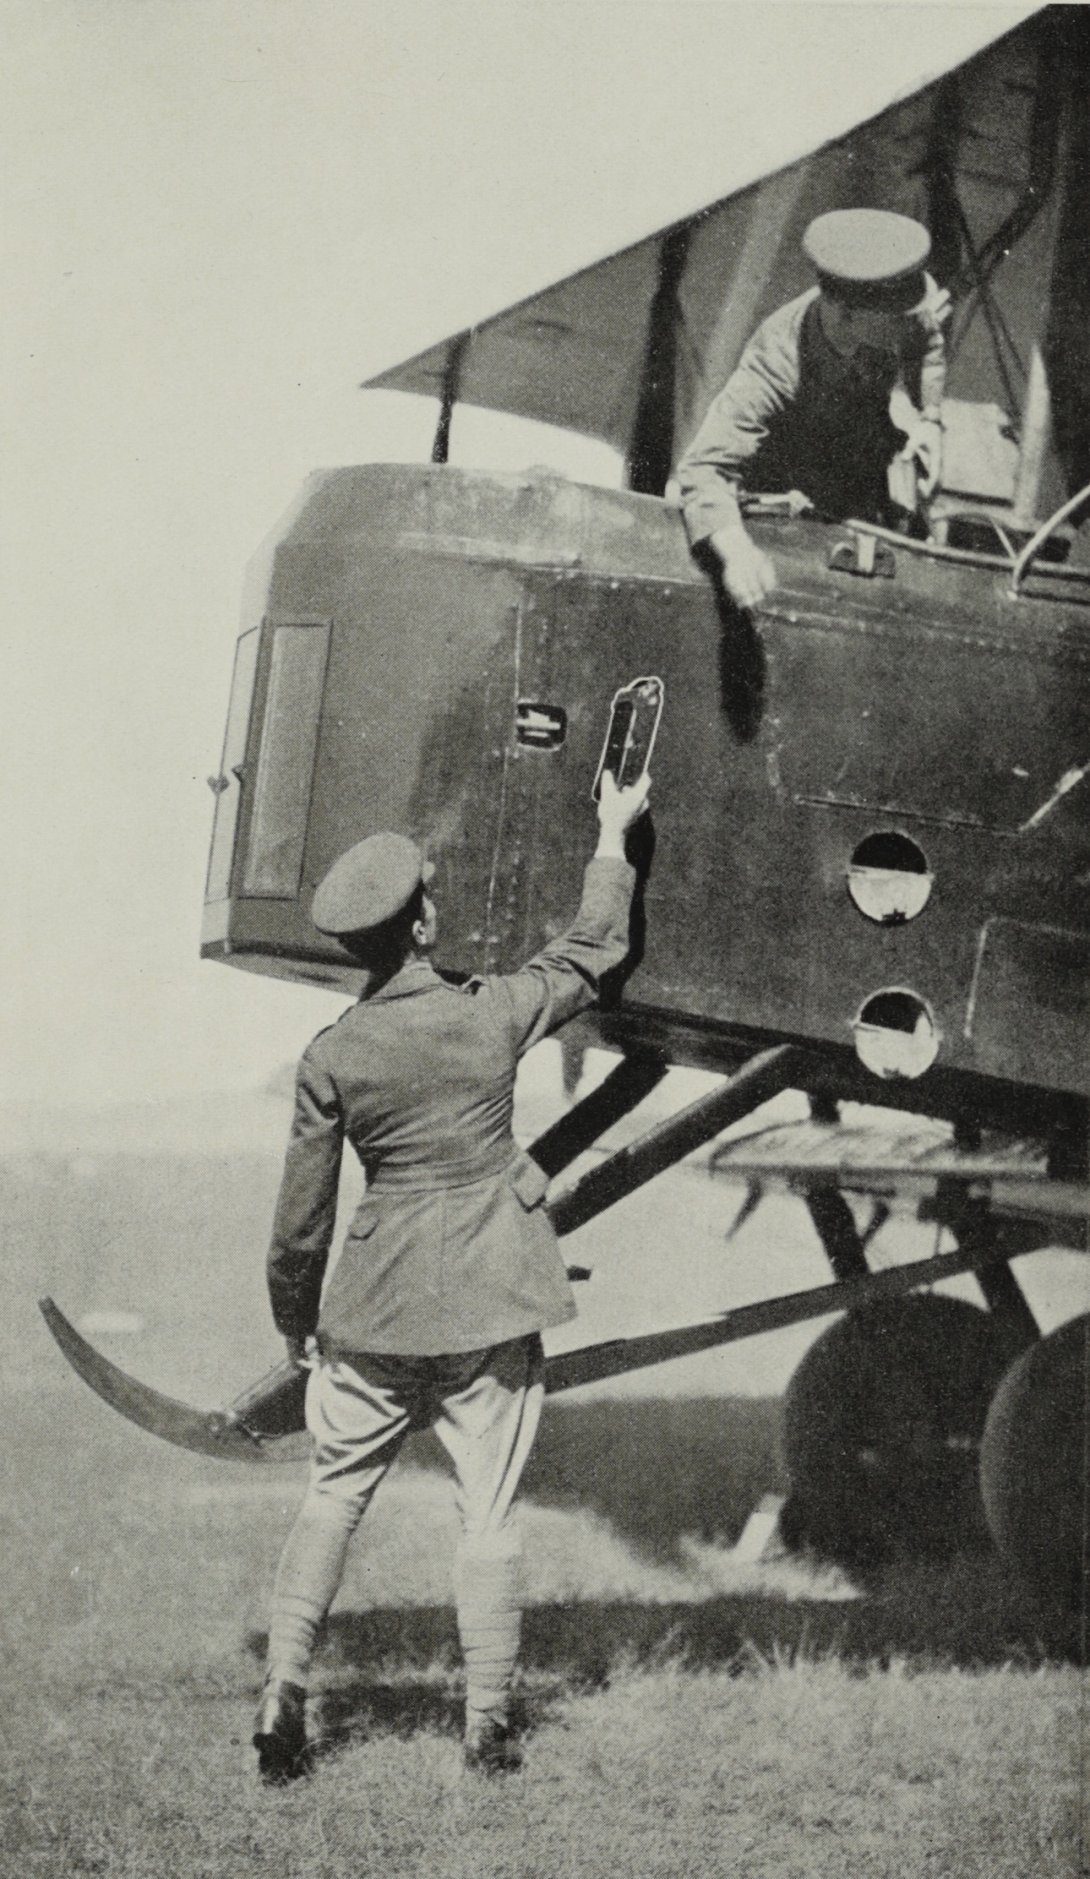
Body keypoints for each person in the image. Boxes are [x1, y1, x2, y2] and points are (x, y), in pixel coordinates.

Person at [254, 767, 651, 1784]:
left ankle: (282, 1695)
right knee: (488, 1515)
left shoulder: (331, 1054)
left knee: (331, 1501)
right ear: (422, 926)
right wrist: (612, 831)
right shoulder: (491, 1014)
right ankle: (486, 1723)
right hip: (489, 1303)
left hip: (370, 1315)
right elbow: (594, 949)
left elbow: (300, 1224)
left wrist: (296, 1322)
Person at [677, 208, 950, 610]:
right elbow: (703, 468)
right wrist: (737, 552)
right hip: (787, 509)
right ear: (846, 313)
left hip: (859, 479)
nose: (909, 325)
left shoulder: (890, 318)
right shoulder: (776, 362)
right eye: (897, 319)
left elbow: (927, 340)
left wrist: (930, 419)